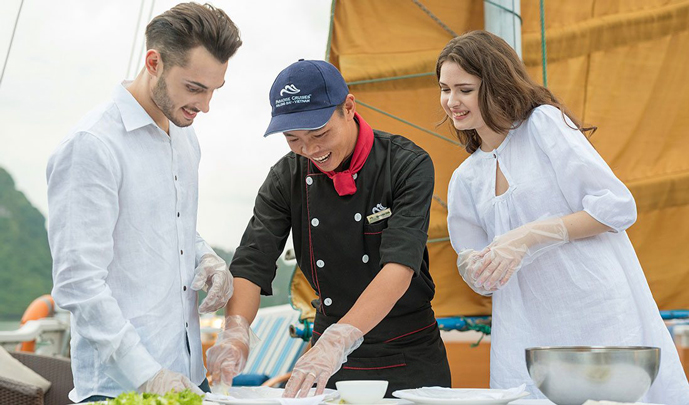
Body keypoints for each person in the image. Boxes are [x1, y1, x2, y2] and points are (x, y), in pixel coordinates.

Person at [439, 30, 689, 403]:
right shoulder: (465, 179)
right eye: (445, 89)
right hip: (525, 329)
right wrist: (476, 268)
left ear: (496, 84)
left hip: (596, 313)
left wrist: (529, 235)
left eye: (465, 89)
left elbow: (617, 206)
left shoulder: (543, 124)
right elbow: (480, 274)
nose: (451, 101)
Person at [206, 59, 451, 397]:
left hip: (407, 353)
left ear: (348, 108)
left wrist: (340, 339)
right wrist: (236, 331)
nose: (310, 150)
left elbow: (400, 265)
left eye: (320, 134)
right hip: (326, 363)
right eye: (293, 138)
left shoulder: (406, 164)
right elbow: (252, 260)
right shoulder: (285, 178)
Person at [46, 3, 242, 402]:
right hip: (121, 389)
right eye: (194, 88)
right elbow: (78, 282)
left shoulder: (185, 137)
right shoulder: (92, 145)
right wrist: (148, 375)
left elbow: (170, 226)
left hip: (189, 379)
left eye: (214, 90)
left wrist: (205, 257)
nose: (205, 106)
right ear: (154, 62)